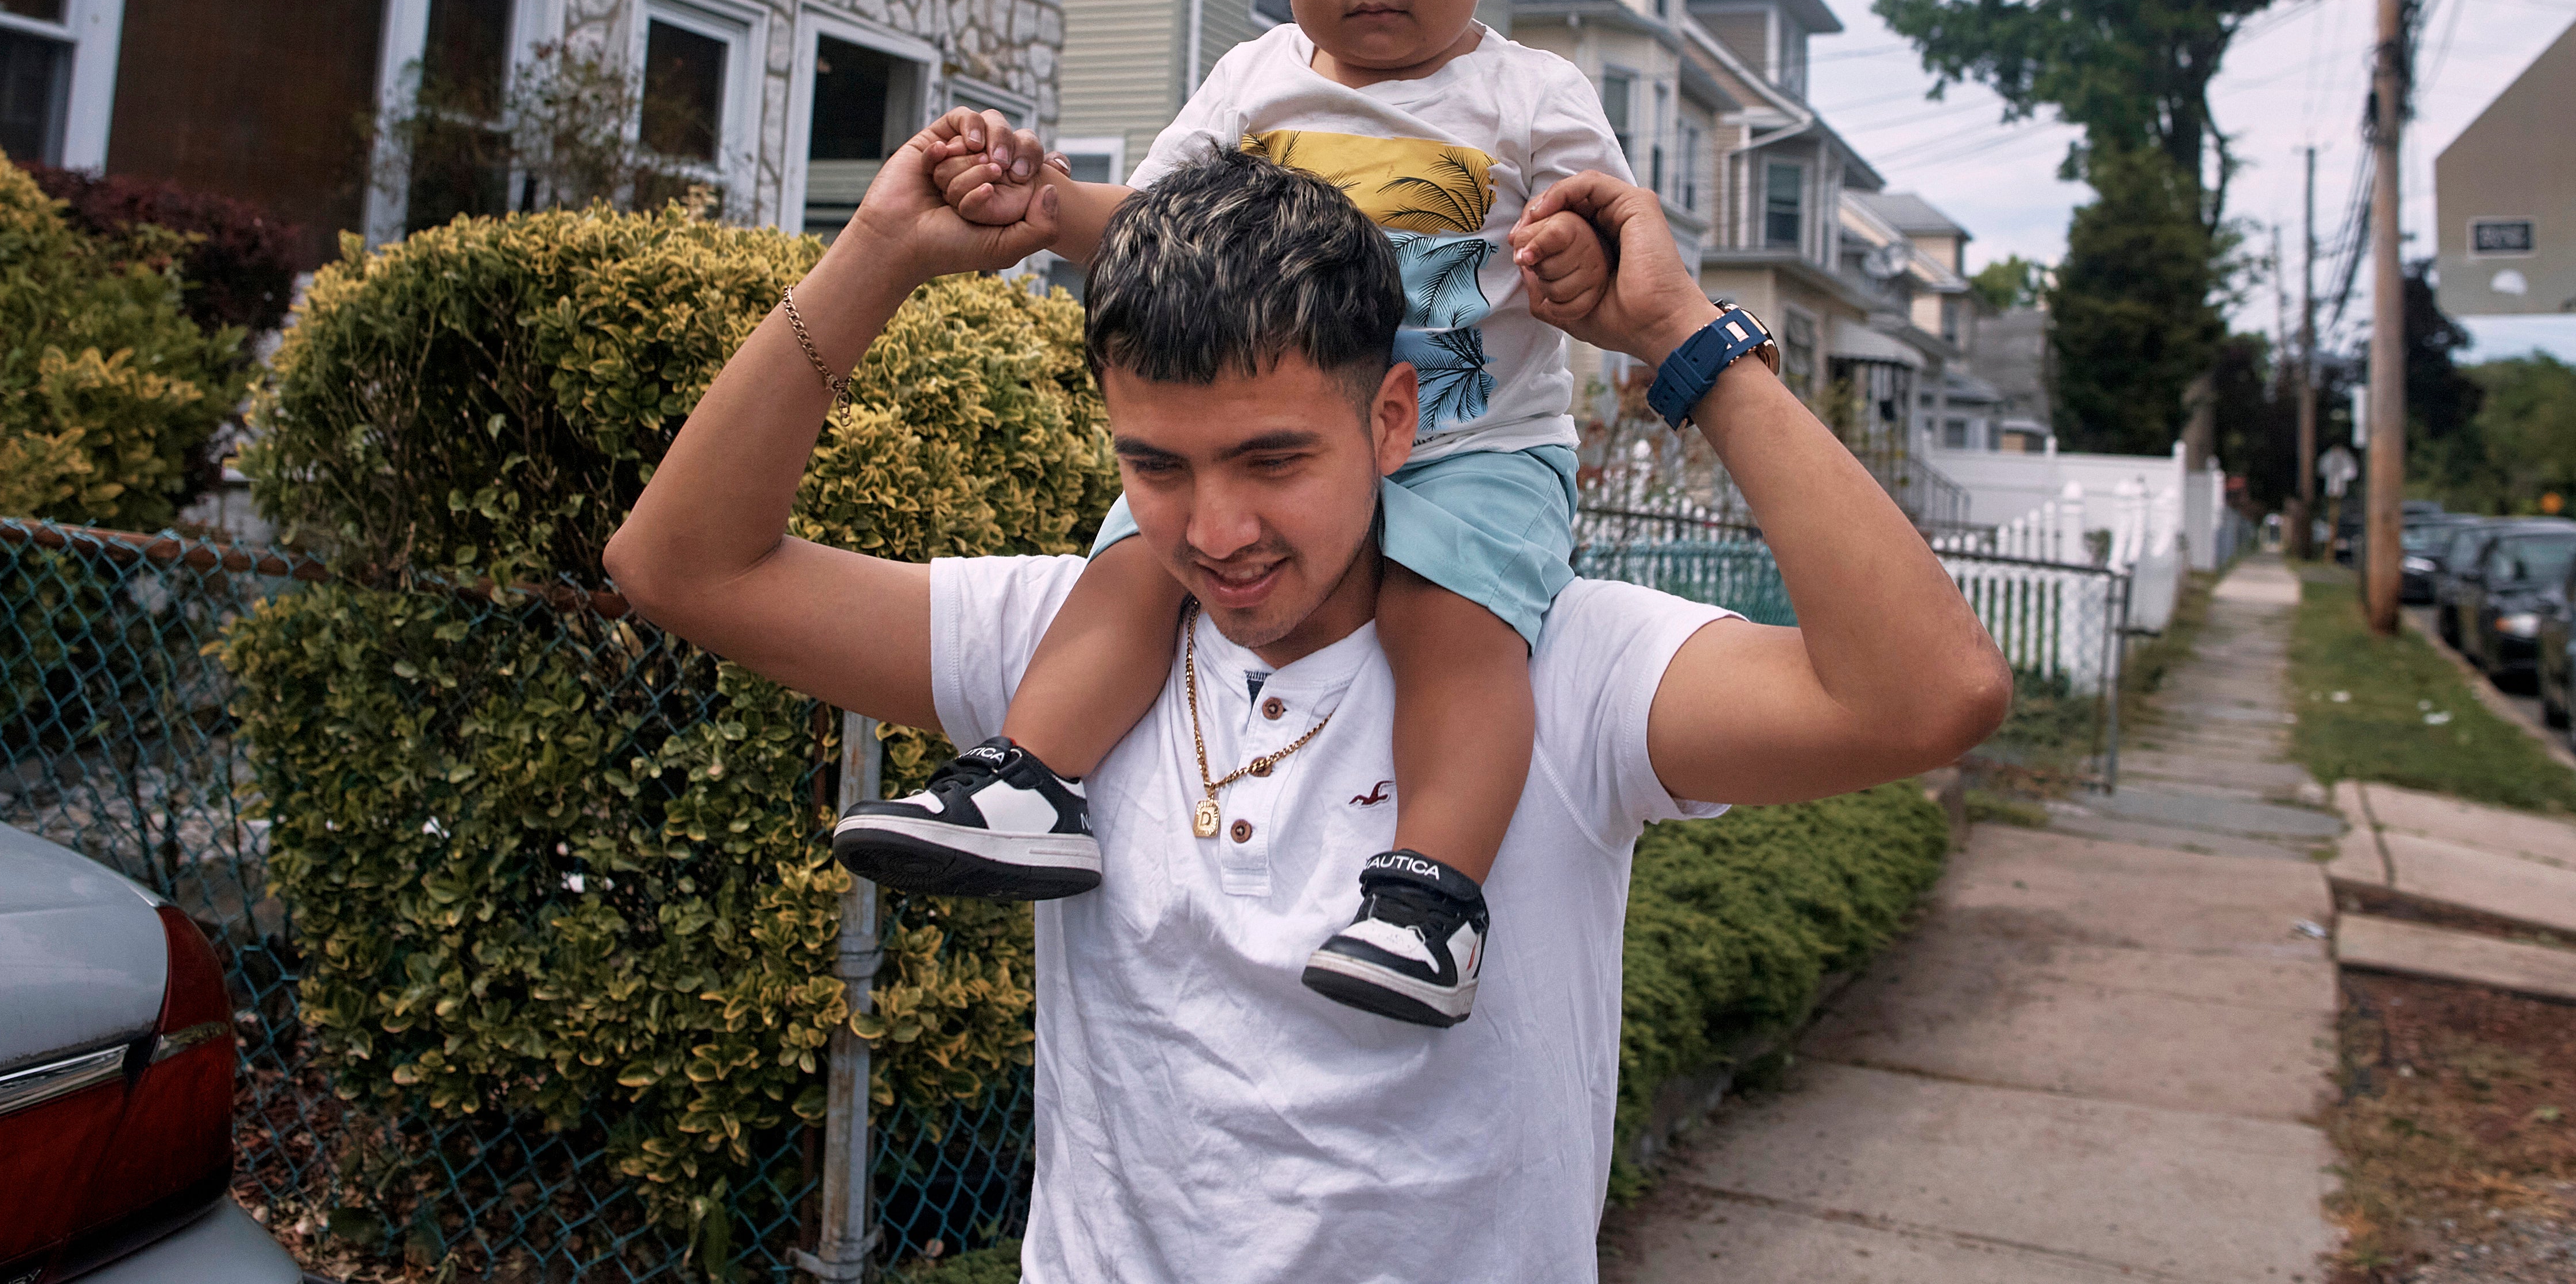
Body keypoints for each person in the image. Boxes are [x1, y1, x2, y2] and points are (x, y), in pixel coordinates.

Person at [603, 140, 2009, 1282]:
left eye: (1274, 457)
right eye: (1156, 465)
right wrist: (878, 253)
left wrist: (1686, 338)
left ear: (1393, 419)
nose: (1216, 530)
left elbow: (1928, 694)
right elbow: (681, 565)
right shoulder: (1061, 645)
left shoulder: (1558, 667)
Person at [829, 0, 1627, 1029]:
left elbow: (1612, 261)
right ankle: (1031, 777)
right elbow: (1144, 227)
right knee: (1133, 565)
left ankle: (1429, 898)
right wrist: (1042, 201)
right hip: (1270, 442)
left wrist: (1581, 273)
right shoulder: (1253, 80)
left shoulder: (1529, 101)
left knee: (1457, 625)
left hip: (1468, 441)